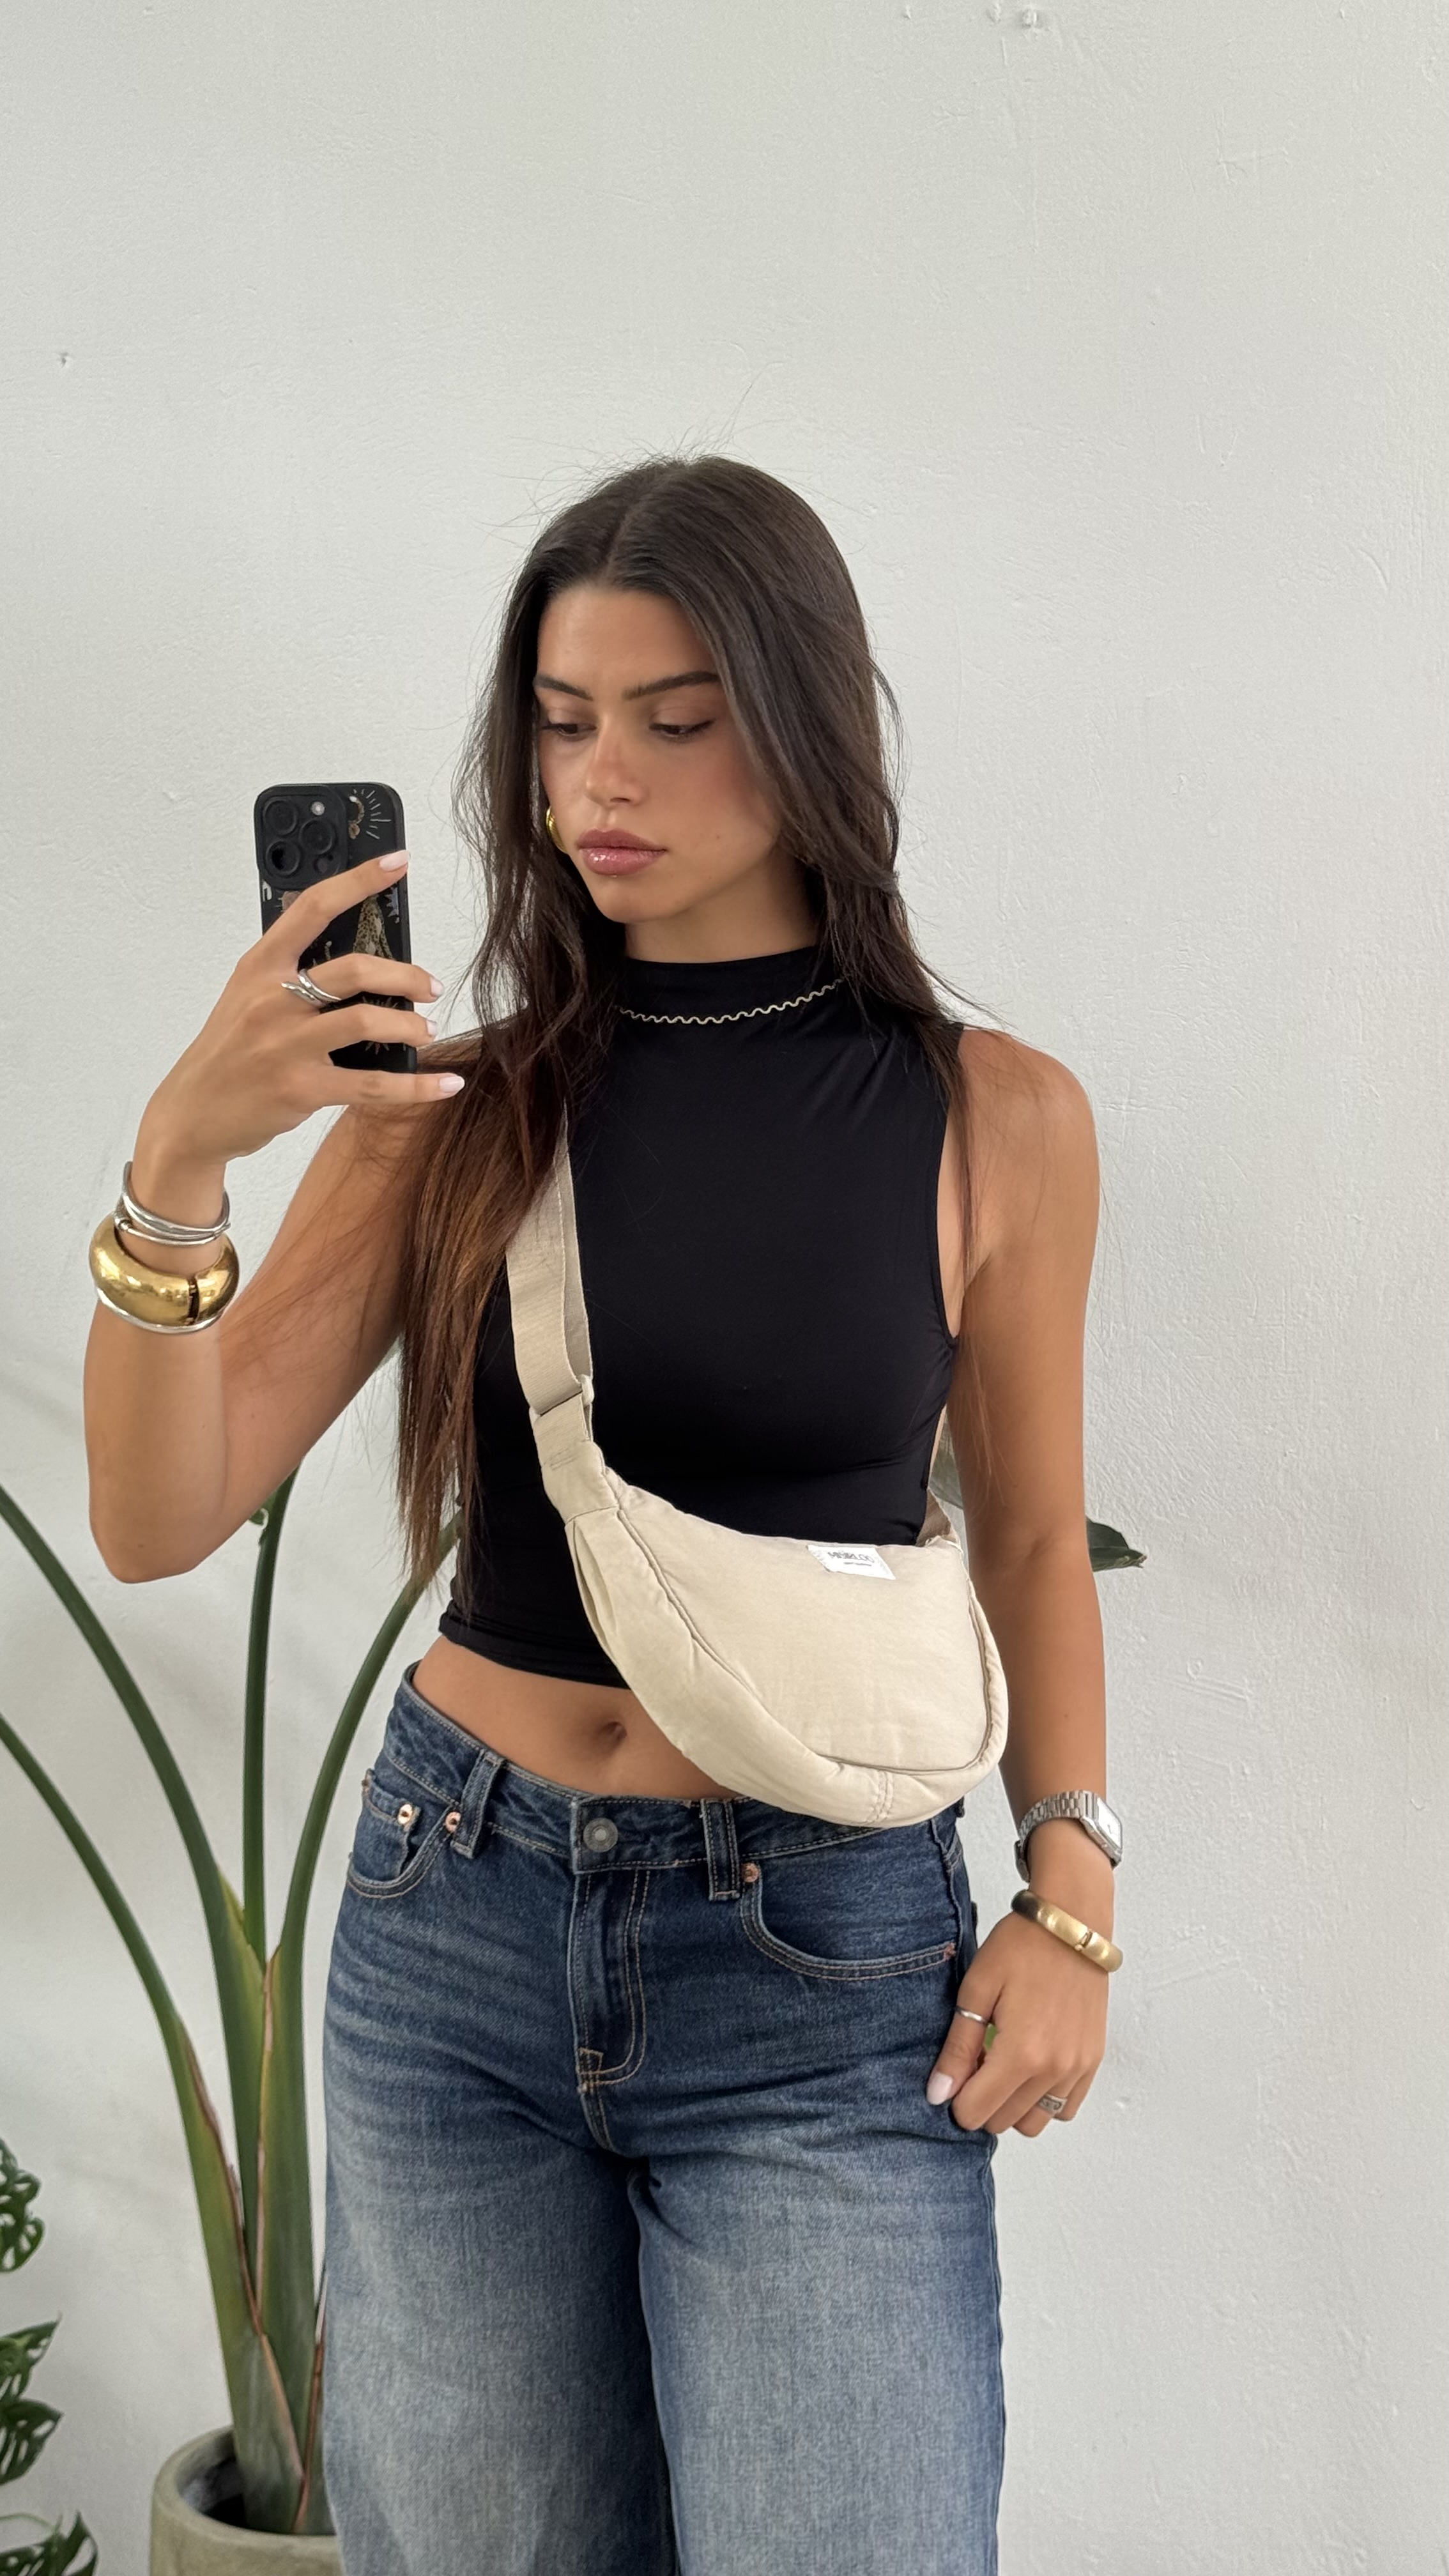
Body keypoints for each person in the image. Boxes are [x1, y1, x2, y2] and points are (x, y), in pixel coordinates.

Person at [84, 455, 1117, 2576]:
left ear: (805, 724)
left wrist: (1071, 1892)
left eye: (675, 716)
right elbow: (158, 1515)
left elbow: (1027, 1539)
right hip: (454, 1923)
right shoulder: (449, 1114)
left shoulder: (989, 1117)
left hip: (823, 1962)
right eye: (560, 723)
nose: (601, 781)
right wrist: (180, 1159)